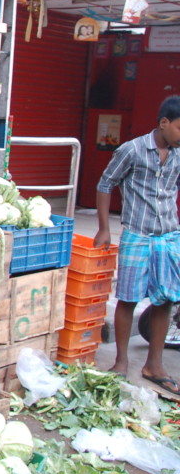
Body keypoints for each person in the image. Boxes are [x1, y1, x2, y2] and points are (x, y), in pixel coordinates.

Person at [96, 95, 180, 393]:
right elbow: (106, 184)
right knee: (128, 298)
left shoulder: (179, 155)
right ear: (164, 123)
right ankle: (120, 362)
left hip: (169, 237)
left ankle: (154, 365)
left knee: (166, 299)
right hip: (136, 234)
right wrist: (104, 228)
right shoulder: (131, 150)